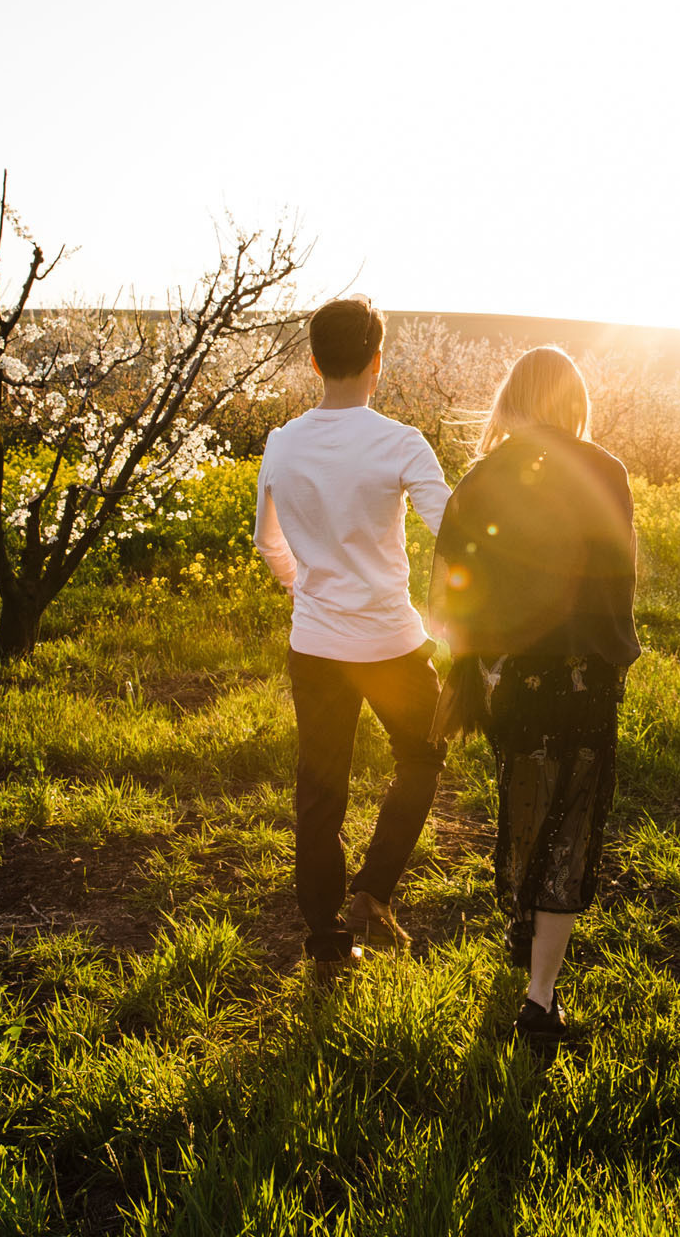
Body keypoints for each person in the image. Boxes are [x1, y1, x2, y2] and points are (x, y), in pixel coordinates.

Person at [429, 346, 638, 1053]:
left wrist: (468, 663)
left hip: (508, 678)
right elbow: (621, 575)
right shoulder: (606, 470)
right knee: (572, 823)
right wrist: (613, 653)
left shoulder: (483, 475)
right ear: (573, 400)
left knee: (525, 801)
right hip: (584, 676)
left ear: (512, 399)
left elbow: (448, 581)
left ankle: (521, 917)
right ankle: (539, 997)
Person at [256, 297, 452, 975]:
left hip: (315, 644)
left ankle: (326, 943)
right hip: (393, 644)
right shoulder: (401, 442)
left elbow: (266, 541)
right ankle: (372, 890)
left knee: (320, 789)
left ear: (313, 362)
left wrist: (302, 585)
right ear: (377, 364)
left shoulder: (283, 443)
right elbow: (450, 529)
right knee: (422, 759)